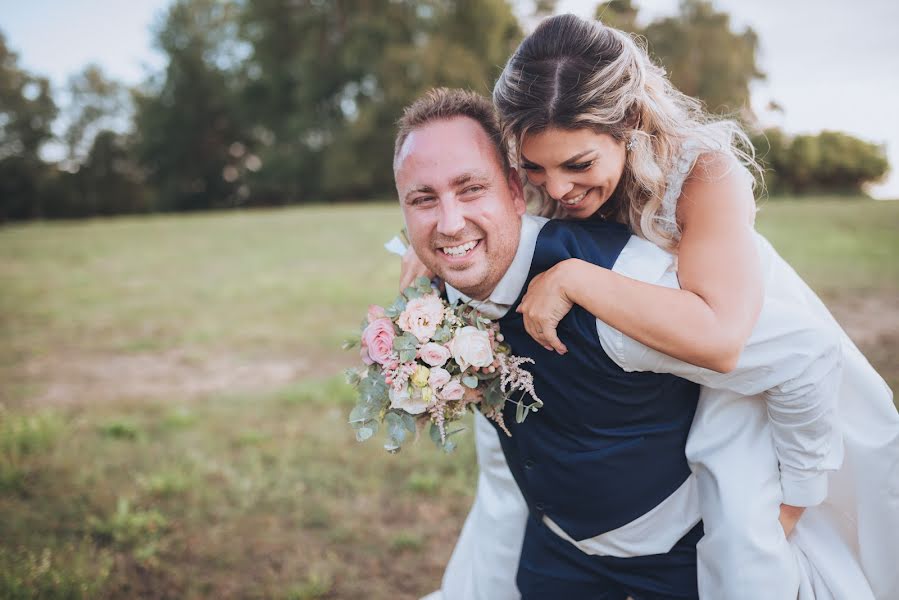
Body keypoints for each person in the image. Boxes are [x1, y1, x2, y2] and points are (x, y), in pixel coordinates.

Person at [398, 15, 898, 600]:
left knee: (760, 543)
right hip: (627, 377)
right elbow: (468, 181)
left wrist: (577, 279)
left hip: (735, 351)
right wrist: (432, 236)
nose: (555, 190)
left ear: (629, 125)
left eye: (578, 166)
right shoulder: (547, 141)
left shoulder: (703, 173)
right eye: (534, 169)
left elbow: (723, 338)